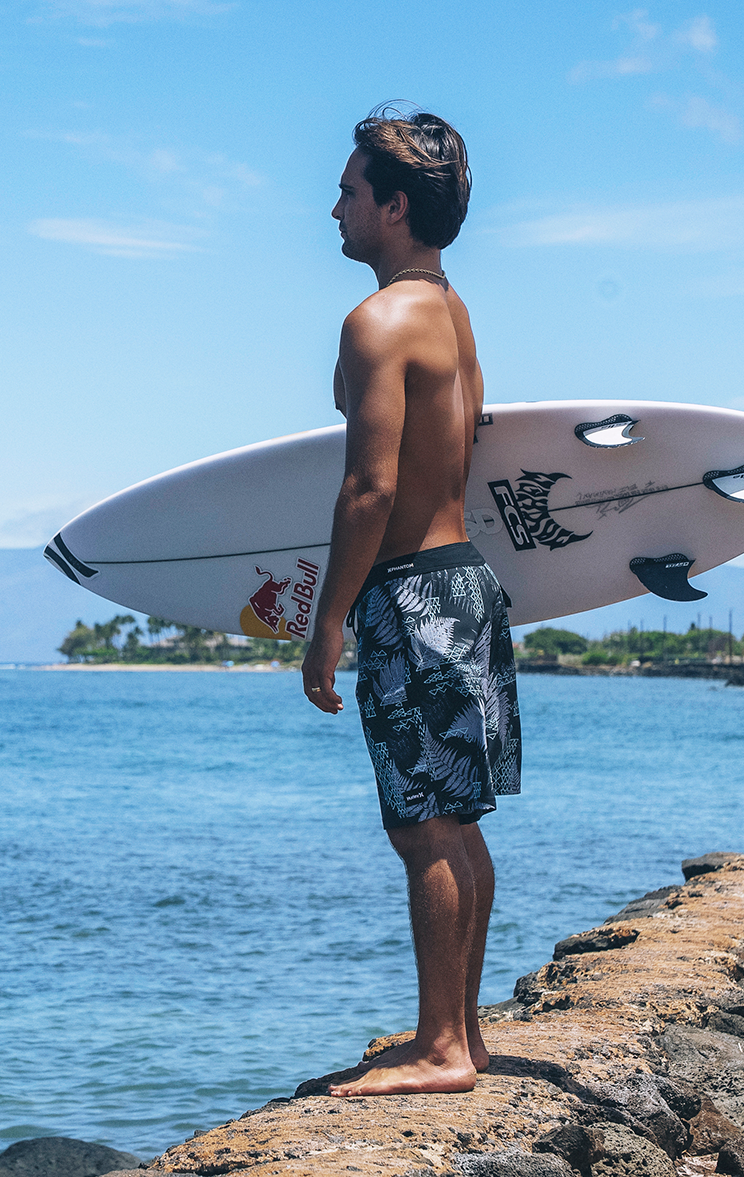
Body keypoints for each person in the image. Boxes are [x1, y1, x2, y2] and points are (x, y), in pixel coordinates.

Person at [302, 107, 521, 1097]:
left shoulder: (377, 321)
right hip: (468, 583)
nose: (335, 207)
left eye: (349, 191)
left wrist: (327, 622)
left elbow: (369, 489)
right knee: (457, 825)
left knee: (422, 828)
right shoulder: (453, 313)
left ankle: (440, 1050)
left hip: (410, 595)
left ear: (393, 206)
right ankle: (462, 1036)